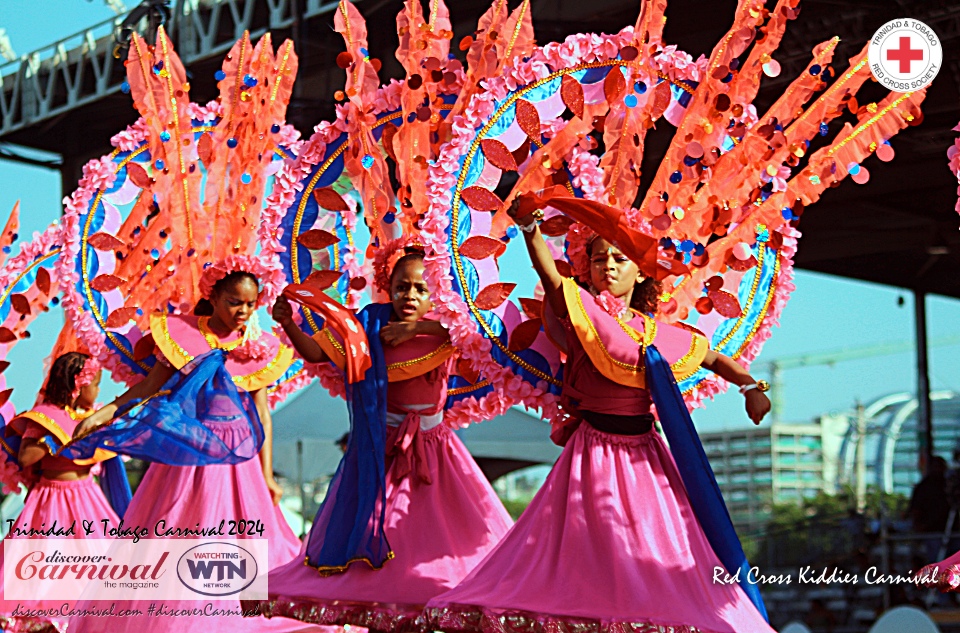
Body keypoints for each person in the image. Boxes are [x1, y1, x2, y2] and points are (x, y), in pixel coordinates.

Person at [426, 201, 775, 633]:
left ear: (641, 272)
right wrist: (531, 228)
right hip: (592, 453)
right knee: (584, 555)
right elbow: (551, 280)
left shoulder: (658, 334)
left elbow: (716, 358)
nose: (607, 266)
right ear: (587, 269)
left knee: (659, 550)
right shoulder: (582, 312)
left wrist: (752, 388)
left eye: (618, 259)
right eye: (598, 259)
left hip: (646, 458)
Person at [254, 245, 513, 632]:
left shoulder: (448, 332)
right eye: (402, 287)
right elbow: (316, 352)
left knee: (437, 557)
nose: (410, 296)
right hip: (379, 456)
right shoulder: (366, 328)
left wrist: (417, 328)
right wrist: (289, 324)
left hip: (436, 457)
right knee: (380, 558)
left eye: (420, 289)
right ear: (387, 288)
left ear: (435, 294)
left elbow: (482, 334)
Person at [66, 257, 319, 633]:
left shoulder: (257, 347)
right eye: (235, 302)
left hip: (239, 468)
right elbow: (148, 389)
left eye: (250, 304)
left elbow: (261, 416)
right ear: (213, 297)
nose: (243, 311)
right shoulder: (182, 336)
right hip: (186, 460)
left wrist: (267, 475)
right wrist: (103, 414)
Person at [0, 352, 119, 633]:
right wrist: (56, 437)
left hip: (86, 498)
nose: (99, 391)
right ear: (78, 386)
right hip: (51, 500)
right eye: (96, 384)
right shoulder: (46, 417)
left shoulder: (91, 418)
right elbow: (27, 456)